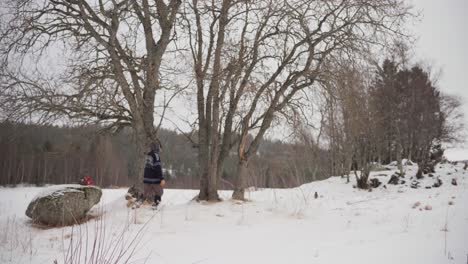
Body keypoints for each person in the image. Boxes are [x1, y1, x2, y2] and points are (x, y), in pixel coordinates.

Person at [142, 142, 165, 209]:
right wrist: (161, 178)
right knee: (160, 192)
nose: (160, 150)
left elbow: (147, 167)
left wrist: (145, 178)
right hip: (154, 179)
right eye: (160, 148)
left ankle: (139, 203)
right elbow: (158, 167)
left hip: (146, 179)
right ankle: (156, 205)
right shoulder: (156, 155)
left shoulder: (148, 155)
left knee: (146, 193)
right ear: (157, 147)